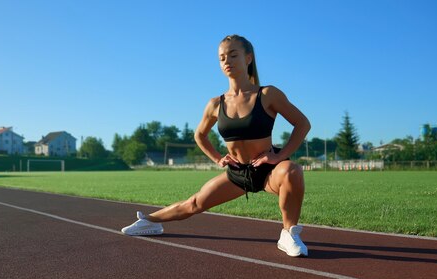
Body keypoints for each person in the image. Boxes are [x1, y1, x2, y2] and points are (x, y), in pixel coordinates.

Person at [121, 34, 311, 257]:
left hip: (268, 170)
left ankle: (288, 233)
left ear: (248, 58)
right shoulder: (215, 104)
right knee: (193, 204)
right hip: (238, 173)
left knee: (292, 171)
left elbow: (302, 123)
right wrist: (218, 158)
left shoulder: (268, 95)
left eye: (233, 55)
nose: (227, 62)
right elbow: (200, 135)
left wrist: (280, 156)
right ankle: (149, 221)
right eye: (222, 58)